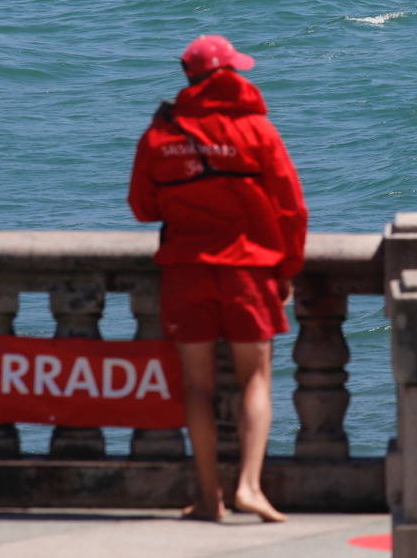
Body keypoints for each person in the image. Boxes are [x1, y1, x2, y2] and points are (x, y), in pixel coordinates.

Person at [128, 35, 307, 523]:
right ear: (230, 75)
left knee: (197, 388)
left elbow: (143, 208)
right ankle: (249, 486)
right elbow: (292, 209)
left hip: (186, 270)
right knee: (256, 378)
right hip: (248, 270)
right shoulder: (257, 130)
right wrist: (287, 269)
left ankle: (210, 498)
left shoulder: (160, 133)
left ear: (189, 77)